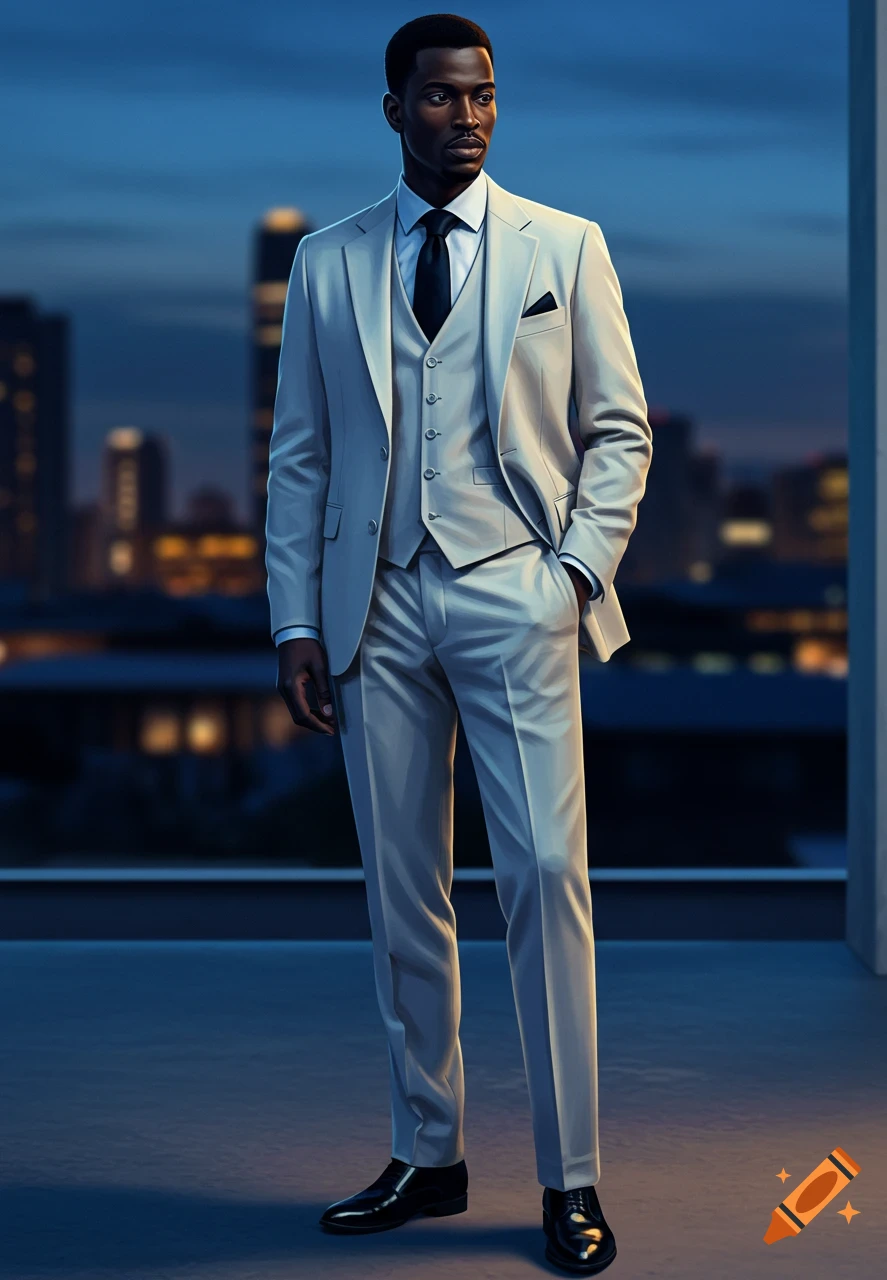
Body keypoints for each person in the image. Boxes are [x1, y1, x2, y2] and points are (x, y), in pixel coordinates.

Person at [265, 13, 652, 1274]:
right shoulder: (326, 262)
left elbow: (619, 432)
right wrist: (298, 619)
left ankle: (570, 1176)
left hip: (514, 595)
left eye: (483, 95)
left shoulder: (566, 246)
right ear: (393, 109)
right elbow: (302, 460)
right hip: (374, 605)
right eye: (439, 97)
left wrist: (570, 574)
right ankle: (426, 1153)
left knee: (545, 878)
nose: (468, 116)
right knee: (403, 894)